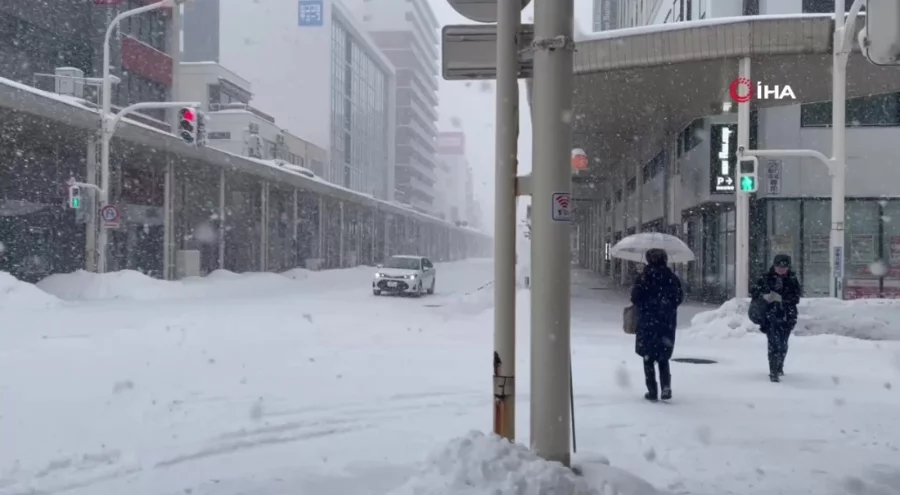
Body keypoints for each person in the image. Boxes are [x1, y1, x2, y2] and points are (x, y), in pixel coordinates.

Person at [630, 248, 684, 401]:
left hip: (647, 322)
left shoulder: (643, 277)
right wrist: (666, 307)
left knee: (648, 358)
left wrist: (647, 305)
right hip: (665, 323)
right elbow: (679, 297)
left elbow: (635, 298)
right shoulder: (671, 277)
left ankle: (652, 390)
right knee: (663, 357)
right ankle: (666, 387)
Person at [750, 254, 802, 382]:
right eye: (779, 267)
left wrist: (782, 299)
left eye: (784, 268)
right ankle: (773, 371)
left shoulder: (792, 279)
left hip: (787, 316)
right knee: (773, 343)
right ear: (774, 265)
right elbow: (754, 292)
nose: (781, 270)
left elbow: (796, 298)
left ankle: (779, 366)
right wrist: (765, 296)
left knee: (783, 344)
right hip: (770, 315)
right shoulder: (766, 278)